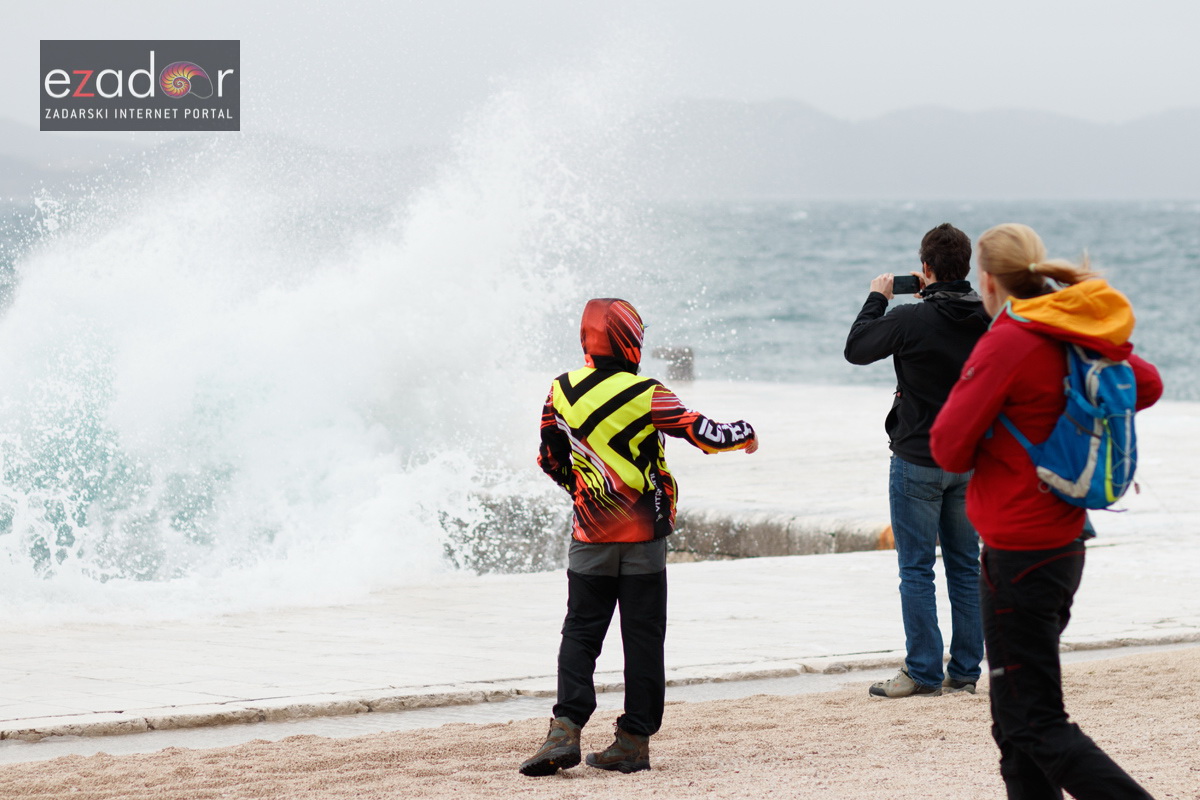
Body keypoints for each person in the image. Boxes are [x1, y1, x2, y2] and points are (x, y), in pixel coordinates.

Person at [931, 223, 1162, 798]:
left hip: (1020, 554)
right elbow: (1148, 384)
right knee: (1014, 726)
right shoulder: (1066, 326)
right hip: (1059, 544)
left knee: (1036, 722)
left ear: (986, 280)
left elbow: (947, 447)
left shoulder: (1008, 341)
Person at [519, 297, 758, 777]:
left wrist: (584, 492)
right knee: (643, 638)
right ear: (630, 339)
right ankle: (633, 741)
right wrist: (746, 431)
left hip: (590, 533)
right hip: (645, 536)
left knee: (581, 631)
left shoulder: (560, 389)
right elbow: (707, 433)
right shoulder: (647, 392)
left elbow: (549, 457)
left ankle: (564, 729)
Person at [844, 223, 990, 698]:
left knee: (916, 569)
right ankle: (966, 671)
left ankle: (923, 672)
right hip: (969, 459)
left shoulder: (911, 318)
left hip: (918, 459)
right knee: (966, 565)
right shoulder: (989, 316)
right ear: (966, 268)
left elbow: (857, 348)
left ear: (925, 269)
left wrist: (878, 297)